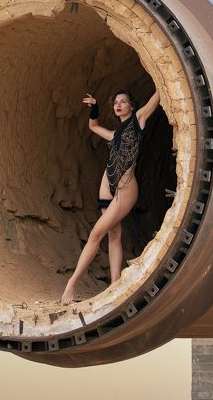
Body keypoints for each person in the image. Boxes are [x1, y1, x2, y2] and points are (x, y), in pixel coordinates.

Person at [61, 88, 160, 305]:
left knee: (96, 233)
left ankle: (72, 283)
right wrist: (95, 108)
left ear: (131, 106)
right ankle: (115, 284)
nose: (119, 105)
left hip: (125, 189)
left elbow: (158, 95)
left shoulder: (138, 120)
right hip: (107, 186)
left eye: (124, 101)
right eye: (116, 102)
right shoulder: (114, 135)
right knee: (113, 235)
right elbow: (93, 126)